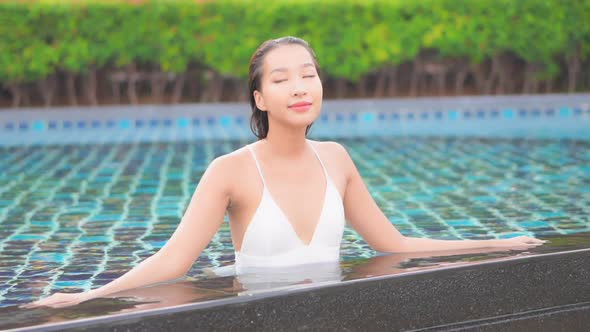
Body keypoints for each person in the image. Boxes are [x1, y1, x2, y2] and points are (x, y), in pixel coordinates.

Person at [27, 36, 545, 308]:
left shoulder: (337, 158)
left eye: (308, 75)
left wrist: (497, 244)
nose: (300, 87)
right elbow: (173, 261)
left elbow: (393, 244)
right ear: (260, 97)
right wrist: (89, 296)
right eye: (282, 79)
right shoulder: (231, 171)